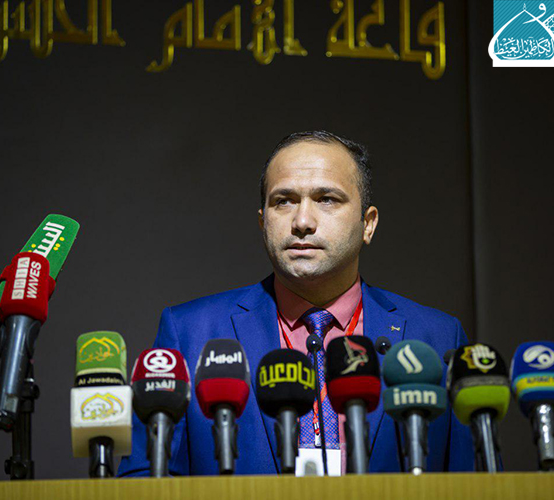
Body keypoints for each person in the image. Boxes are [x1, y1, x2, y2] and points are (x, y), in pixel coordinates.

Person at [118, 130, 473, 476]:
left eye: (327, 199)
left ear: (368, 224)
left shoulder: (437, 337)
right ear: (262, 223)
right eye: (283, 201)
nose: (302, 222)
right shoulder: (189, 333)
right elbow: (142, 480)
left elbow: (476, 484)